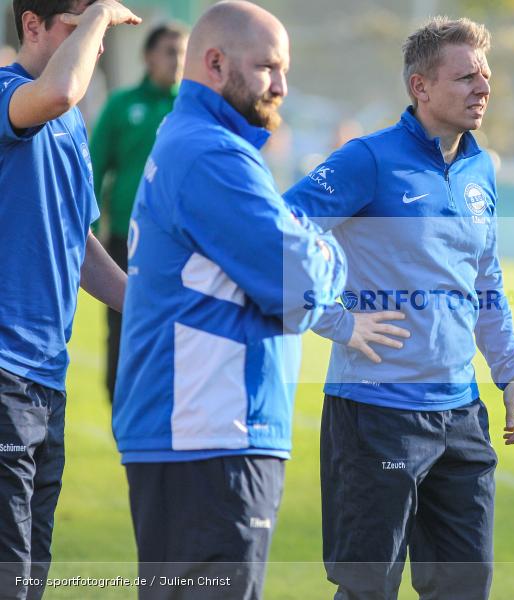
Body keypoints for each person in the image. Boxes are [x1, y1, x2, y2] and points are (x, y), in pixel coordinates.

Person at [284, 16, 514, 600]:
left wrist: (512, 372)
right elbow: (280, 233)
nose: (483, 87)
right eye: (466, 77)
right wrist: (336, 321)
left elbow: (486, 279)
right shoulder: (367, 159)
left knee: (464, 590)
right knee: (368, 591)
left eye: (486, 75)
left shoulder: (480, 168)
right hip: (376, 417)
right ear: (420, 87)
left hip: (461, 416)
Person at [110, 2, 346, 599]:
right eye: (268, 67)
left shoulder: (196, 141)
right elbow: (301, 286)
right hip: (212, 435)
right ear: (214, 64)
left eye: (284, 69)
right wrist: (329, 250)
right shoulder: (211, 153)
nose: (281, 86)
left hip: (201, 434)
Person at [0, 1, 140, 598]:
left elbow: (76, 243)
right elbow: (57, 92)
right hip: (4, 374)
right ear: (32, 25)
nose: (97, 42)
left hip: (46, 379)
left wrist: (148, 307)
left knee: (32, 572)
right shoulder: (11, 93)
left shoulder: (71, 120)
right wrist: (103, 11)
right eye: (81, 27)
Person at [90, 22, 187, 403]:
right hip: (124, 240)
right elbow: (95, 168)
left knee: (176, 327)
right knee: (122, 324)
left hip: (177, 245)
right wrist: (89, 230)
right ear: (148, 57)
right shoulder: (121, 105)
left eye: (183, 52)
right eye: (170, 52)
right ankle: (119, 405)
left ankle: (166, 407)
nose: (178, 60)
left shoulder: (189, 110)